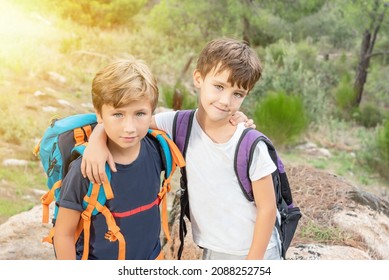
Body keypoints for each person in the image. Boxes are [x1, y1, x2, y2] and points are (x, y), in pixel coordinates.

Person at [82, 38, 282, 260]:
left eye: (238, 94)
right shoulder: (179, 124)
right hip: (212, 250)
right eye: (219, 86)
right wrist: (97, 139)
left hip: (257, 253)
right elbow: (132, 122)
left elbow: (268, 209)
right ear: (198, 78)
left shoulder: (250, 144)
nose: (226, 101)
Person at [53, 58, 168, 260]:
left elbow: (199, 124)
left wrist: (237, 121)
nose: (130, 127)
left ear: (152, 112)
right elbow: (63, 234)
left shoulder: (157, 148)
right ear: (99, 114)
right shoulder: (86, 169)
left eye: (140, 113)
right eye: (118, 114)